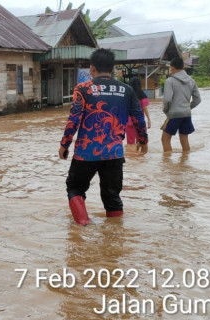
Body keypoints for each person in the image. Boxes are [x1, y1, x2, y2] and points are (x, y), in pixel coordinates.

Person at [58, 49, 148, 225]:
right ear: (113, 68)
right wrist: (143, 141)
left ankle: (83, 228)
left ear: (92, 69)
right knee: (112, 195)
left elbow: (73, 119)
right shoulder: (127, 90)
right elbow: (138, 118)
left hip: (86, 152)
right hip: (114, 153)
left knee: (75, 188)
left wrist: (64, 144)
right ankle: (114, 237)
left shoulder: (83, 89)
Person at [161, 57, 201, 152]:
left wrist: (166, 110)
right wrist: (188, 108)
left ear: (172, 68)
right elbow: (198, 99)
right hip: (187, 114)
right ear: (183, 67)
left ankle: (167, 165)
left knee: (165, 139)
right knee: (184, 139)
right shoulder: (192, 81)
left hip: (174, 114)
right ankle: (184, 163)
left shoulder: (169, 81)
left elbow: (167, 100)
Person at [125, 77, 151, 144]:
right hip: (140, 122)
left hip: (129, 122)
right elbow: (145, 109)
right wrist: (149, 120)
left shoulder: (127, 95)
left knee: (130, 143)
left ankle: (131, 154)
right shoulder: (142, 95)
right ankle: (140, 154)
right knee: (141, 142)